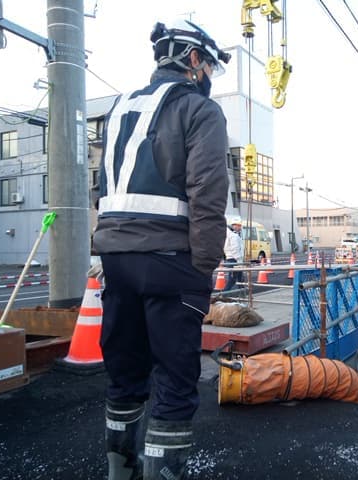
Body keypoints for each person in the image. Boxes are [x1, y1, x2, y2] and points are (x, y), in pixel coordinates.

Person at [92, 17, 231, 480]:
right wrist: (204, 269)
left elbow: (101, 187)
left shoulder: (119, 108)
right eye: (208, 65)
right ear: (193, 58)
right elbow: (208, 193)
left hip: (116, 260)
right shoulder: (199, 110)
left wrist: (106, 246)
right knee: (174, 381)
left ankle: (121, 471)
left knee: (124, 373)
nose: (208, 74)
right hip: (171, 263)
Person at [223, 217, 244, 291]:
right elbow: (235, 249)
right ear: (234, 226)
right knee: (232, 279)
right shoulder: (233, 235)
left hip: (232, 259)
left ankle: (242, 293)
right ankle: (224, 294)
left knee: (240, 278)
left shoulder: (229, 234)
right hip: (234, 260)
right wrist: (239, 261)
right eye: (239, 226)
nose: (240, 228)